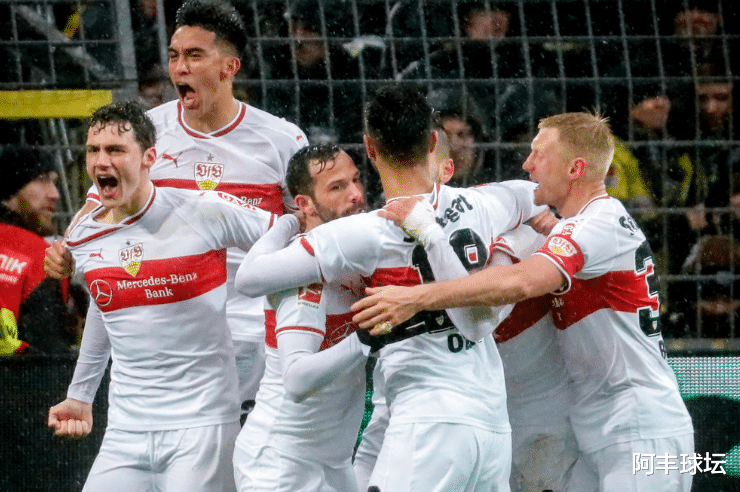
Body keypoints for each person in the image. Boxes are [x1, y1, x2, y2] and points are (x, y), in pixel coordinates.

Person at [353, 112, 695, 492]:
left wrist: (415, 297)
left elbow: (521, 282)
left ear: (575, 169)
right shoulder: (586, 224)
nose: (527, 164)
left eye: (539, 155)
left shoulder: (595, 224)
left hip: (642, 428)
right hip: (604, 426)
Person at [235, 84, 548, 491]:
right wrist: (519, 241)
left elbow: (249, 278)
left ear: (370, 148)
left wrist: (288, 221)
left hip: (427, 422)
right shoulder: (484, 203)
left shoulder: (362, 233)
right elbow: (540, 197)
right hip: (491, 422)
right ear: (433, 142)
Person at [46, 0, 308, 422]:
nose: (180, 67)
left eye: (195, 55)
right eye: (174, 56)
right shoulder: (147, 133)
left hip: (253, 332)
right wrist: (67, 249)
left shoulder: (282, 139)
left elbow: (308, 230)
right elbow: (97, 209)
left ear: (229, 67)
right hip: (169, 333)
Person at [47, 101, 278, 491]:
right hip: (125, 431)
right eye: (93, 150)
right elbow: (107, 308)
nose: (101, 161)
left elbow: (292, 239)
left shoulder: (204, 210)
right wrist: (80, 395)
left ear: (149, 158)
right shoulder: (83, 236)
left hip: (203, 426)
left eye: (115, 150)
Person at [233, 143, 370, 491]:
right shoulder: (302, 273)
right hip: (280, 464)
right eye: (337, 187)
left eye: (356, 180)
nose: (356, 194)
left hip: (333, 460)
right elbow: (297, 379)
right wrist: (370, 337)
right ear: (305, 203)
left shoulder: (353, 251)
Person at [0, 145, 73, 355]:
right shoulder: (40, 256)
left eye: (55, 182)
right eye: (42, 180)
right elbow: (49, 357)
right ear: (10, 190)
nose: (55, 194)